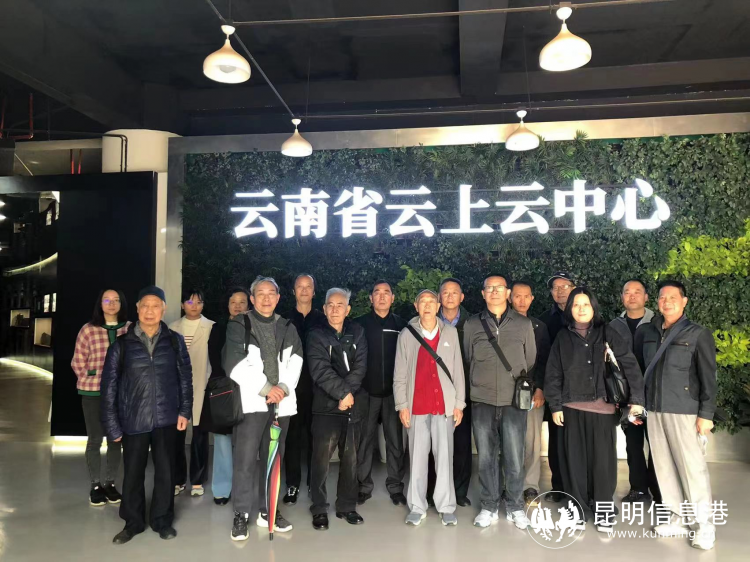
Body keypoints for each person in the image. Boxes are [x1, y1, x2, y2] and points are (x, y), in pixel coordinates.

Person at [545, 287, 645, 532]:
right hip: (570, 409)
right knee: (574, 462)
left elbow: (630, 365)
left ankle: (603, 510)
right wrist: (555, 406)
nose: (581, 309)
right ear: (570, 309)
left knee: (603, 464)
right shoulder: (563, 337)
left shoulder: (608, 332)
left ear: (593, 308)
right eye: (576, 304)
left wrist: (637, 400)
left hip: (603, 409)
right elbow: (553, 374)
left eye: (586, 304)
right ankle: (576, 508)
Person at [101, 286, 193, 544]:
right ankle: (133, 522)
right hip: (134, 419)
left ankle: (162, 520)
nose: (150, 311)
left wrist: (185, 410)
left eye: (155, 306)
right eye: (145, 306)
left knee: (166, 473)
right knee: (132, 474)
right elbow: (109, 387)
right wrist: (112, 424)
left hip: (167, 418)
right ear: (137, 309)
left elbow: (185, 379)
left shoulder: (174, 341)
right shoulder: (122, 345)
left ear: (163, 309)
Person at [634, 280, 717, 550]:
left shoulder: (697, 333)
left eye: (673, 297)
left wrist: (706, 413)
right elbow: (640, 371)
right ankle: (677, 518)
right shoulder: (647, 332)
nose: (667, 302)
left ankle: (704, 526)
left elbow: (708, 377)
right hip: (655, 409)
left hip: (684, 410)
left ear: (684, 301)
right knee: (664, 467)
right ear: (656, 302)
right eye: (662, 297)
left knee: (692, 469)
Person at [228, 277, 303, 541]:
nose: (266, 298)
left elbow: (296, 360)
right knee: (245, 460)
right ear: (252, 298)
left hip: (281, 404)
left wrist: (282, 387)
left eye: (271, 293)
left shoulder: (287, 326)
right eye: (261, 293)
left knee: (273, 461)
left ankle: (268, 510)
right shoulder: (240, 324)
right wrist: (266, 388)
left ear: (279, 298)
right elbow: (235, 363)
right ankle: (241, 514)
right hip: (252, 404)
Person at [464, 274, 536, 530]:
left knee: (514, 457)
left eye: (499, 288)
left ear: (507, 293)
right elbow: (468, 357)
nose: (494, 292)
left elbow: (529, 359)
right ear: (483, 293)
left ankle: (515, 506)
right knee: (486, 457)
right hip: (482, 400)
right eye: (489, 288)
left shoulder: (523, 324)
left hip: (513, 401)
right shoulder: (472, 324)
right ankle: (489, 506)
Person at [394, 289, 465, 527]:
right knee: (417, 459)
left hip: (444, 406)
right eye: (422, 301)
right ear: (416, 306)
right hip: (416, 406)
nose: (427, 305)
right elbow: (399, 374)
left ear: (438, 306)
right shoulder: (407, 334)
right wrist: (402, 405)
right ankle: (417, 506)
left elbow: (458, 371)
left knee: (444, 459)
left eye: (431, 301)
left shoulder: (450, 333)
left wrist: (459, 404)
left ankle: (446, 507)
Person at [306, 288, 368, 530]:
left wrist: (347, 395)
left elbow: (360, 367)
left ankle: (346, 506)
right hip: (325, 407)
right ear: (323, 309)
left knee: (351, 459)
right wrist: (342, 393)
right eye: (330, 305)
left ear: (348, 309)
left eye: (340, 305)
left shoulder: (358, 332)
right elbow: (320, 370)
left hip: (352, 406)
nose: (334, 310)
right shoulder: (316, 335)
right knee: (320, 461)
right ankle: (319, 508)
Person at [71, 289, 130, 507]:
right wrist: (94, 376)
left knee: (116, 439)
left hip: (121, 394)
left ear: (122, 304)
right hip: (93, 393)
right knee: (95, 439)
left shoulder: (129, 328)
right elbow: (78, 362)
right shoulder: (88, 329)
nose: (112, 304)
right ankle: (95, 485)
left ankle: (110, 483)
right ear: (100, 304)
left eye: (116, 300)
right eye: (107, 300)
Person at [354, 280, 408, 506]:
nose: (382, 296)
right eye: (377, 292)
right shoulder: (359, 324)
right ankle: (363, 486)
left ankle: (395, 486)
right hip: (366, 392)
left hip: (393, 394)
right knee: (364, 441)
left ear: (393, 298)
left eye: (387, 292)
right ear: (371, 298)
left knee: (395, 442)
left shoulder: (402, 325)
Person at [608, 279, 660, 504]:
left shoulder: (658, 323)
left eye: (637, 292)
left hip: (655, 396)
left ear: (646, 297)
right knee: (634, 443)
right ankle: (638, 488)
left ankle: (660, 492)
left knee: (657, 444)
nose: (632, 296)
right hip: (628, 397)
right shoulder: (613, 326)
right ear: (622, 297)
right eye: (627, 292)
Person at [430, 277, 474, 508]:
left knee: (461, 443)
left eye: (454, 292)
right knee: (433, 444)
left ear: (462, 297)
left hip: (463, 392)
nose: (449, 296)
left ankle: (459, 491)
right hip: (434, 392)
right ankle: (433, 491)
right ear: (439, 297)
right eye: (445, 292)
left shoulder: (473, 323)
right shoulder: (429, 322)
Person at [284, 273, 327, 505]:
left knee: (315, 438)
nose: (303, 290)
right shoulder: (284, 319)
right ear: (293, 291)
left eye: (308, 286)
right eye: (299, 286)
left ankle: (313, 483)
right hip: (290, 388)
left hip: (317, 388)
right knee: (291, 438)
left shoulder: (322, 319)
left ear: (314, 291)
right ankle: (292, 484)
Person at [206, 287, 251, 505]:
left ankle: (243, 488)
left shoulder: (254, 327)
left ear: (249, 305)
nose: (238, 306)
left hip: (250, 390)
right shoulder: (218, 329)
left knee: (246, 442)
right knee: (223, 441)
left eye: (242, 302)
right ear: (227, 305)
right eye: (233, 302)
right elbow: (215, 359)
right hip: (225, 390)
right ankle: (222, 489)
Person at [510, 281, 551, 506]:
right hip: (506, 392)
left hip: (532, 392)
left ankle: (530, 486)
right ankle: (510, 485)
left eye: (526, 296)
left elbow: (545, 360)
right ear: (510, 297)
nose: (522, 300)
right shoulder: (501, 324)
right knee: (508, 440)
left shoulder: (539, 327)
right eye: (518, 296)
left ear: (532, 299)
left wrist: (540, 389)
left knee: (532, 441)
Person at [170, 289, 214, 498]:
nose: (194, 306)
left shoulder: (211, 327)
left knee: (199, 436)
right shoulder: (171, 328)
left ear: (203, 305)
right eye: (189, 301)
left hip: (201, 385)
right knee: (176, 437)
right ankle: (178, 479)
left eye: (198, 302)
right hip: (176, 387)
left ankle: (197, 481)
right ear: (182, 305)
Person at [538, 271, 576, 501]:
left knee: (580, 440)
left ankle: (580, 488)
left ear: (574, 289)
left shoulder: (584, 314)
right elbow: (541, 356)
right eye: (556, 287)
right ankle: (559, 486)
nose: (560, 291)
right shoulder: (544, 320)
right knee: (557, 440)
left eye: (565, 286)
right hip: (556, 390)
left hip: (582, 390)